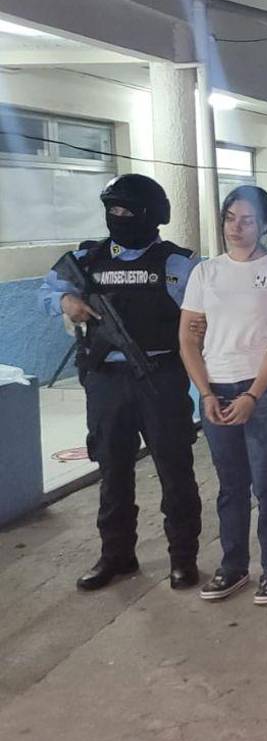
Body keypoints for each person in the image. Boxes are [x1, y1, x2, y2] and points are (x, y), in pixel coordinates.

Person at [39, 174, 203, 591]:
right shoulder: (86, 259)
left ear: (153, 215)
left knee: (175, 470)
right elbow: (46, 292)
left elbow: (205, 315)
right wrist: (65, 300)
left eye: (128, 210)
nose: (119, 217)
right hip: (106, 379)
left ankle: (183, 558)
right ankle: (116, 555)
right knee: (112, 471)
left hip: (160, 377)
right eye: (113, 210)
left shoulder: (179, 263)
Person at [179, 186, 267, 606]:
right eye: (230, 218)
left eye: (247, 220)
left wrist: (253, 394)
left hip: (265, 392)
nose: (236, 227)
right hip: (216, 390)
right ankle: (233, 567)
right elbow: (187, 339)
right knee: (231, 486)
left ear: (264, 225)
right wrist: (205, 392)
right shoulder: (205, 273)